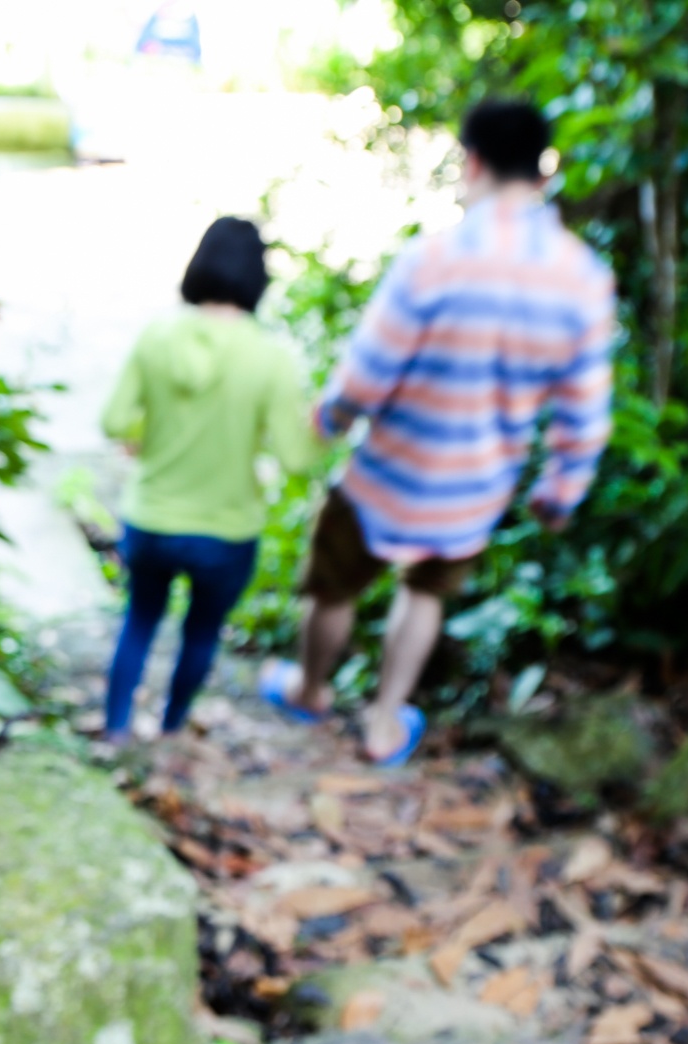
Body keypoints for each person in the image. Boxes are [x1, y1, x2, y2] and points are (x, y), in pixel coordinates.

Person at [263, 98, 617, 765]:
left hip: (385, 475)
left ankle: (310, 690)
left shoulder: (434, 258)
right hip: (474, 491)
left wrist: (331, 419)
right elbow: (584, 408)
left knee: (335, 585)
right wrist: (561, 490)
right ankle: (383, 724)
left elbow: (368, 372)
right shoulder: (583, 277)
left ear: (472, 162)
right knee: (424, 596)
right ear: (542, 175)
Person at [102, 216, 315, 744]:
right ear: (256, 279)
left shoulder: (156, 336)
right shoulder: (271, 357)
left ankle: (116, 729)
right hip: (226, 529)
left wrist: (142, 432)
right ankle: (172, 729)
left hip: (150, 519)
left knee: (140, 620)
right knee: (200, 633)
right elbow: (295, 458)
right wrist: (325, 427)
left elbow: (113, 421)